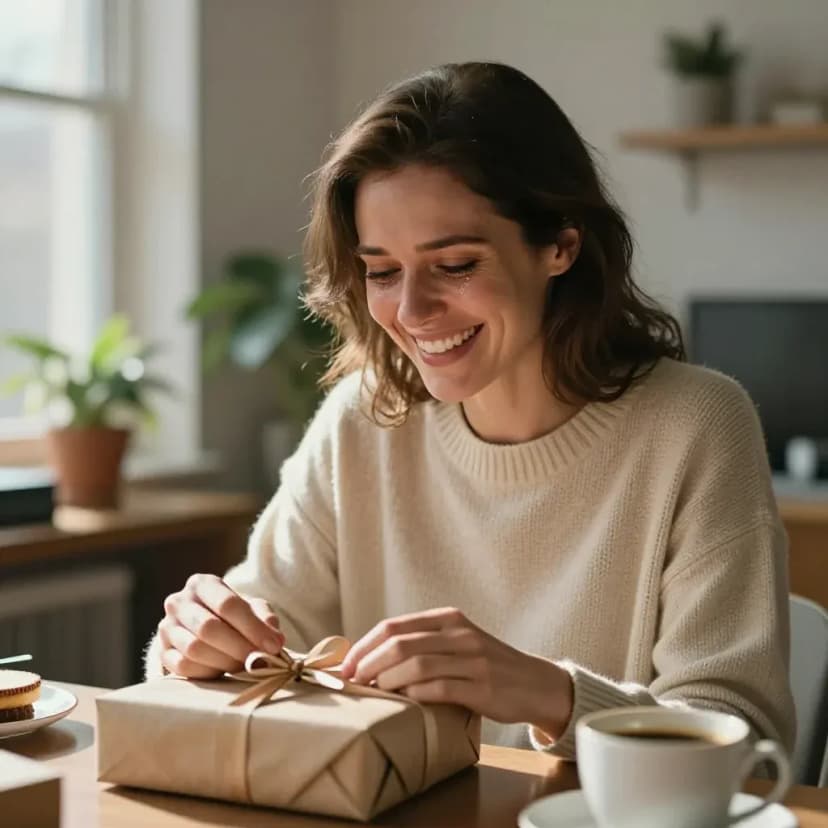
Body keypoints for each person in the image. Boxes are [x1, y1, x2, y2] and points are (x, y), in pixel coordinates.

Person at [146, 62, 795, 759]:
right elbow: (237, 648)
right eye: (383, 271)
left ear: (560, 246)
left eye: (454, 265)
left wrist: (546, 694)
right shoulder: (361, 422)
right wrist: (193, 643)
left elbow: (745, 742)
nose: (412, 312)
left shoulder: (696, 425)